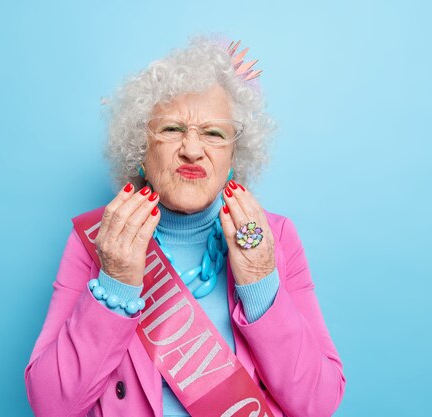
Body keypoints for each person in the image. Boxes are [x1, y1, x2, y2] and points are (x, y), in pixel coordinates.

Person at [24, 34, 346, 417]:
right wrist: (116, 281)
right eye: (172, 129)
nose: (192, 149)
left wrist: (260, 282)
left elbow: (318, 403)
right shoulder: (99, 241)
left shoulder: (276, 238)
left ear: (233, 156)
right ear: (141, 148)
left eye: (213, 133)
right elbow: (51, 405)